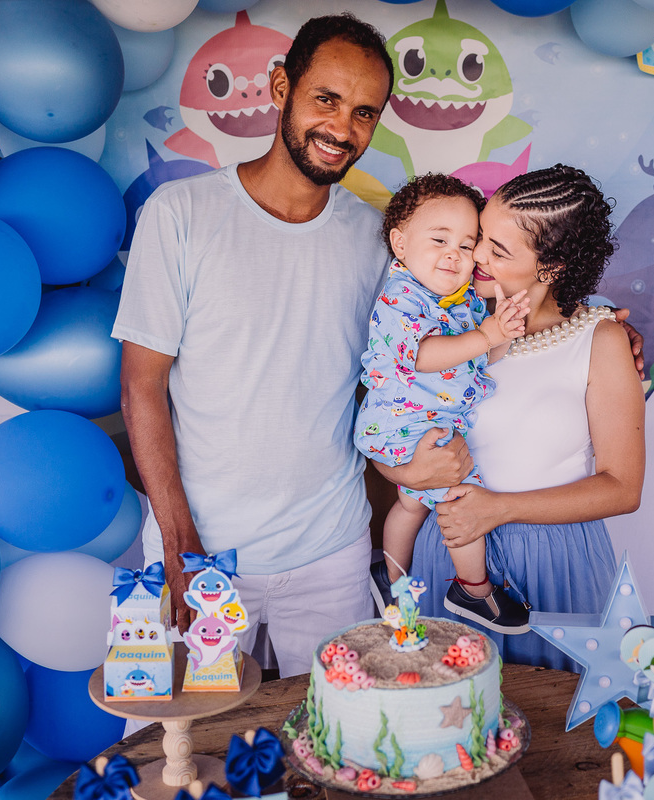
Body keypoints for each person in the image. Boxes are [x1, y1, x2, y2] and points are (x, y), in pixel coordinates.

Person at [114, 13, 470, 678]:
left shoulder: (378, 240)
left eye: (364, 112)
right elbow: (141, 386)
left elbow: (452, 328)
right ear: (281, 88)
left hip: (331, 551)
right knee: (178, 757)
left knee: (340, 752)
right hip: (202, 552)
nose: (342, 129)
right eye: (325, 100)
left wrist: (594, 326)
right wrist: (178, 541)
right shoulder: (181, 214)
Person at [400, 164, 648, 671]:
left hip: (554, 560)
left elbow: (624, 487)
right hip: (448, 550)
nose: (476, 257)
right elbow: (391, 422)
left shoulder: (600, 338)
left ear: (552, 265)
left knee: (554, 730)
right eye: (480, 238)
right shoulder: (447, 322)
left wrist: (499, 509)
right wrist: (406, 475)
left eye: (500, 250)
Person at [355, 173, 531, 633]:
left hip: (423, 421)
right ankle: (473, 589)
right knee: (459, 494)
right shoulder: (401, 298)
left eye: (467, 244)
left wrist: (503, 334)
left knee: (412, 505)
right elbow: (421, 355)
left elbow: (483, 356)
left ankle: (389, 576)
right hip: (402, 421)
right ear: (400, 243)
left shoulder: (463, 299)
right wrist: (486, 334)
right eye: (439, 240)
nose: (454, 254)